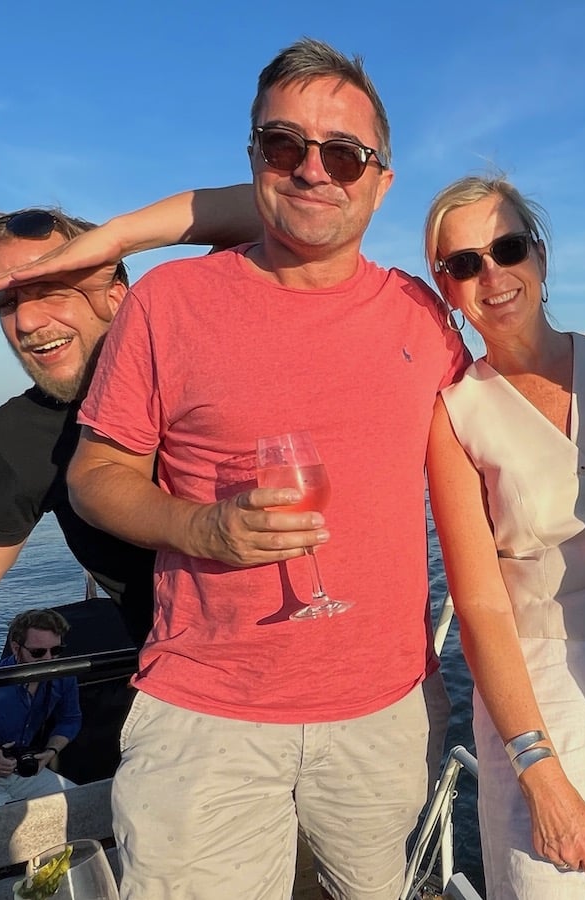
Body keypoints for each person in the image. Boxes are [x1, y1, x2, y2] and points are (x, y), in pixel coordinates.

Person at [64, 39, 470, 900]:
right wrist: (200, 526)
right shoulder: (168, 302)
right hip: (207, 717)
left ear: (381, 182)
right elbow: (94, 475)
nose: (314, 170)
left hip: (384, 712)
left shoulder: (421, 314)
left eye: (345, 154)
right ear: (253, 159)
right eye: (285, 145)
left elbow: (502, 415)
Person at [423, 175, 585, 899]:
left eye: (507, 248)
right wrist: (539, 768)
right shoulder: (455, 415)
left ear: (541, 256)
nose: (491, 274)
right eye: (464, 264)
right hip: (541, 696)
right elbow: (481, 605)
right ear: (447, 288)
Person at [0, 208, 155, 647]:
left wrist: (121, 236)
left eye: (49, 290)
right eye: (7, 304)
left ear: (115, 296)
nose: (26, 322)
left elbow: (271, 217)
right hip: (183, 671)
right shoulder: (19, 435)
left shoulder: (202, 370)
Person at [0, 608, 80, 812]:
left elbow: (70, 719)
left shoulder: (63, 676)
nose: (49, 659)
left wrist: (50, 751)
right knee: (10, 820)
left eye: (56, 650)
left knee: (82, 804)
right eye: (38, 653)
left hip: (22, 771)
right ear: (16, 648)